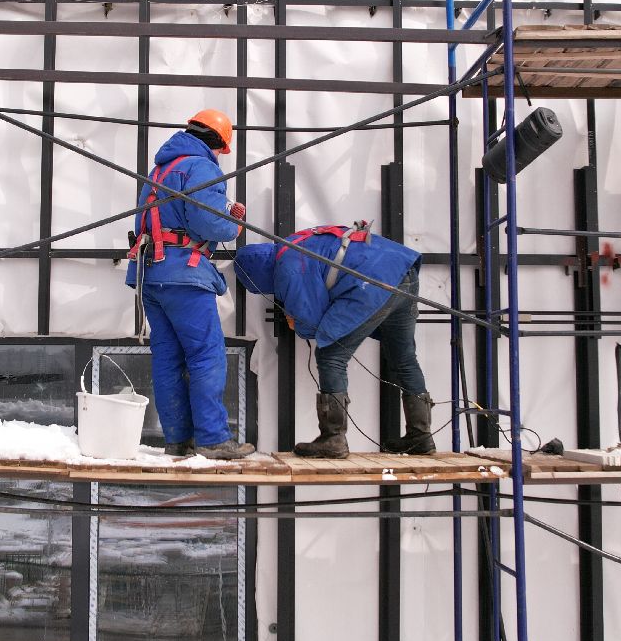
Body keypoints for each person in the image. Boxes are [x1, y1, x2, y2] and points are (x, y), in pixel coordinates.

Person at [233, 223, 434, 458]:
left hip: (372, 282)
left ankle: (333, 438)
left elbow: (309, 322)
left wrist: (294, 320)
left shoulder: (287, 267)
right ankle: (420, 435)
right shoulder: (295, 243)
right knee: (403, 358)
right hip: (402, 269)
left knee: (330, 355)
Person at [125, 109, 254, 461]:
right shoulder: (202, 168)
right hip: (185, 276)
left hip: (150, 276)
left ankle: (178, 440)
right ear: (218, 143)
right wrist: (233, 225)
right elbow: (208, 223)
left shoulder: (158, 171)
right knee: (205, 355)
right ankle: (213, 439)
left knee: (167, 357)